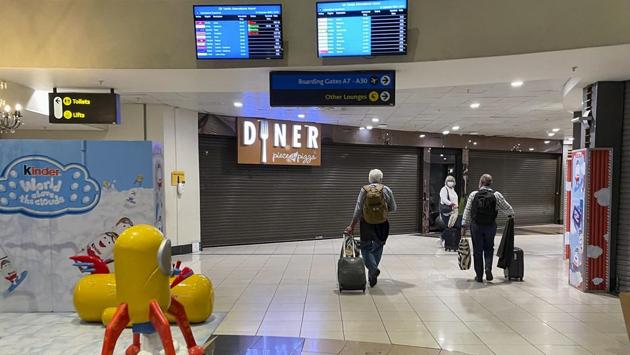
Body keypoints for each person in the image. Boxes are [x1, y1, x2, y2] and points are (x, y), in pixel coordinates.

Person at [345, 169, 397, 287]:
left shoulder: (364, 190)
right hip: (382, 224)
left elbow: (358, 209)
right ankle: (372, 272)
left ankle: (372, 269)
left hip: (366, 223)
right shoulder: (386, 189)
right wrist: (381, 210)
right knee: (378, 247)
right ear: (381, 179)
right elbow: (393, 208)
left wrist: (352, 226)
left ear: (369, 179)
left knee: (366, 247)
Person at [461, 174, 514, 282]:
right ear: (490, 183)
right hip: (490, 226)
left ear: (480, 182)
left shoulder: (473, 194)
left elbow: (467, 210)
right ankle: (488, 268)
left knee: (477, 250)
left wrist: (463, 225)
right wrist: (510, 217)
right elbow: (509, 210)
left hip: (476, 226)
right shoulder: (496, 195)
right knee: (489, 248)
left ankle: (479, 275)